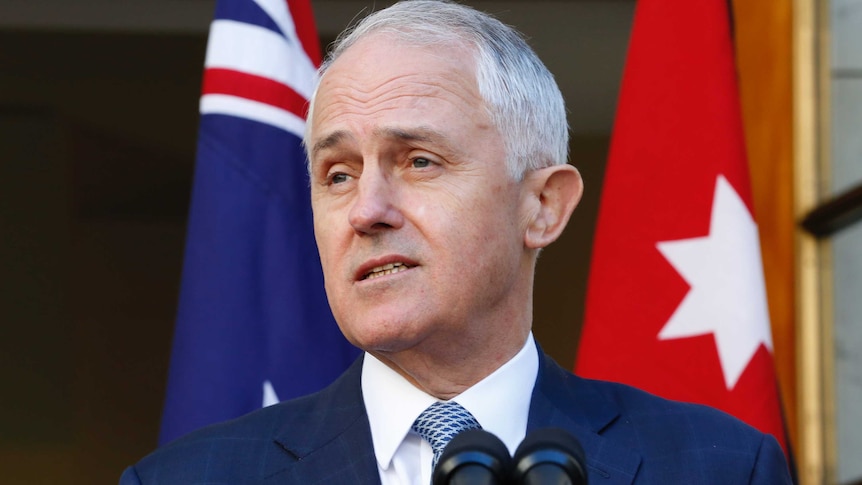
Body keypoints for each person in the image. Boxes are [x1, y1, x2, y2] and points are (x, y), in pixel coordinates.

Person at [121, 1, 793, 483]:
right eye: (338, 174)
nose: (368, 209)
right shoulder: (189, 477)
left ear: (542, 206)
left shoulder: (720, 466)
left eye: (418, 160)